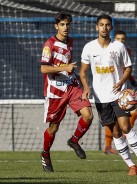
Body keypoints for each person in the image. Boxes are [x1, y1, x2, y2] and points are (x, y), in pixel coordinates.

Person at [79, 14, 137, 176]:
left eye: (107, 25)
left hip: (119, 96)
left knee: (126, 127)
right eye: (101, 25)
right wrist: (85, 88)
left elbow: (128, 68)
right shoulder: (89, 48)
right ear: (96, 27)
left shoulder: (118, 47)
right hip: (100, 98)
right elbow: (82, 72)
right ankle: (131, 166)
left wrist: (121, 82)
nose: (104, 28)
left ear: (110, 27)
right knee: (116, 133)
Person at [40, 12, 93, 172]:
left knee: (88, 114)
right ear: (56, 26)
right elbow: (43, 68)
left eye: (67, 24)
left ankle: (74, 140)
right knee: (54, 128)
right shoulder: (49, 44)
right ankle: (45, 154)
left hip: (71, 85)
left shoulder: (70, 41)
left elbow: (68, 63)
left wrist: (82, 84)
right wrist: (64, 68)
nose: (65, 27)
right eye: (62, 24)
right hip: (56, 90)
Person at [103, 30, 137, 154]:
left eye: (123, 39)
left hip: (123, 87)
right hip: (112, 88)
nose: (121, 41)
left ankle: (121, 137)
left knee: (133, 113)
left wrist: (133, 83)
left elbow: (126, 70)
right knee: (114, 119)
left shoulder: (126, 51)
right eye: (118, 38)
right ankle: (111, 144)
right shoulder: (108, 50)